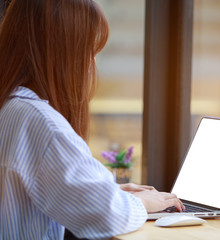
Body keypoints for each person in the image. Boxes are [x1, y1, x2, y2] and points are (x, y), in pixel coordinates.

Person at [0, 0, 184, 239]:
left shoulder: (10, 106)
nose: (92, 63)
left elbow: (37, 183)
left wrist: (111, 192)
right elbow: (107, 216)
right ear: (64, 53)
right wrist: (142, 203)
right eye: (89, 50)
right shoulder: (40, 123)